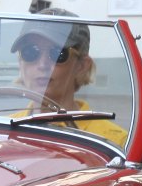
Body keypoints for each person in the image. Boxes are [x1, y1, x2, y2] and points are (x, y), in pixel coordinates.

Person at [8, 8, 129, 144]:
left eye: (58, 53)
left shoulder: (115, 142)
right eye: (30, 52)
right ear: (20, 63)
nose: (42, 64)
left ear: (81, 66)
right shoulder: (2, 130)